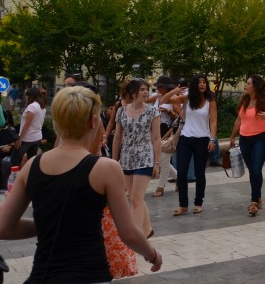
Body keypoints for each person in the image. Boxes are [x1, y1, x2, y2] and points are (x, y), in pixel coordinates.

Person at [0, 85, 162, 281]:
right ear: (94, 122)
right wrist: (152, 255)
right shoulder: (106, 168)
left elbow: (4, 227)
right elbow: (128, 233)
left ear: (56, 122)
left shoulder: (32, 166)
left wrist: (48, 224)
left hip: (44, 275)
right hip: (90, 273)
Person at [111, 78, 160, 239]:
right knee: (133, 197)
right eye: (142, 89)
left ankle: (135, 236)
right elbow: (117, 137)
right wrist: (113, 160)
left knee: (136, 199)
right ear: (133, 93)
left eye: (147, 89)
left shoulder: (152, 111)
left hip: (145, 157)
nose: (146, 92)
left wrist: (156, 163)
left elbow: (156, 138)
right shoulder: (121, 112)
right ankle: (147, 229)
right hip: (126, 158)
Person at [166, 74, 217, 216]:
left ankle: (198, 202)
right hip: (186, 138)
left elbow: (213, 121)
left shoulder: (210, 100)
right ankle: (183, 204)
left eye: (204, 82)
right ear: (194, 85)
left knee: (200, 173)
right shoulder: (187, 98)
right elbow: (165, 100)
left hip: (203, 139)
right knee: (181, 172)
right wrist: (175, 90)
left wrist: (212, 140)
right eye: (200, 82)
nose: (202, 85)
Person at [229, 75, 265, 216]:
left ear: (256, 86)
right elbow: (238, 120)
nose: (246, 85)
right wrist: (232, 136)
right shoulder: (244, 101)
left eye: (248, 83)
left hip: (261, 138)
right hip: (245, 138)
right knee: (252, 169)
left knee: (256, 168)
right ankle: (258, 197)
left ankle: (254, 201)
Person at [152, 78, 179, 198]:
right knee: (163, 159)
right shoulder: (158, 97)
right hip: (156, 129)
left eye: (160, 86)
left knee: (163, 158)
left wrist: (169, 112)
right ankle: (179, 178)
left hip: (167, 129)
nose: (158, 89)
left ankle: (161, 186)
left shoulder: (174, 98)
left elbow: (180, 115)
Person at [13, 87, 47, 168]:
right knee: (31, 162)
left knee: (14, 161)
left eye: (27, 95)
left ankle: (14, 178)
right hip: (36, 137)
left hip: (27, 138)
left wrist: (19, 139)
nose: (26, 97)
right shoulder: (41, 106)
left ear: (30, 95)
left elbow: (27, 124)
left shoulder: (32, 106)